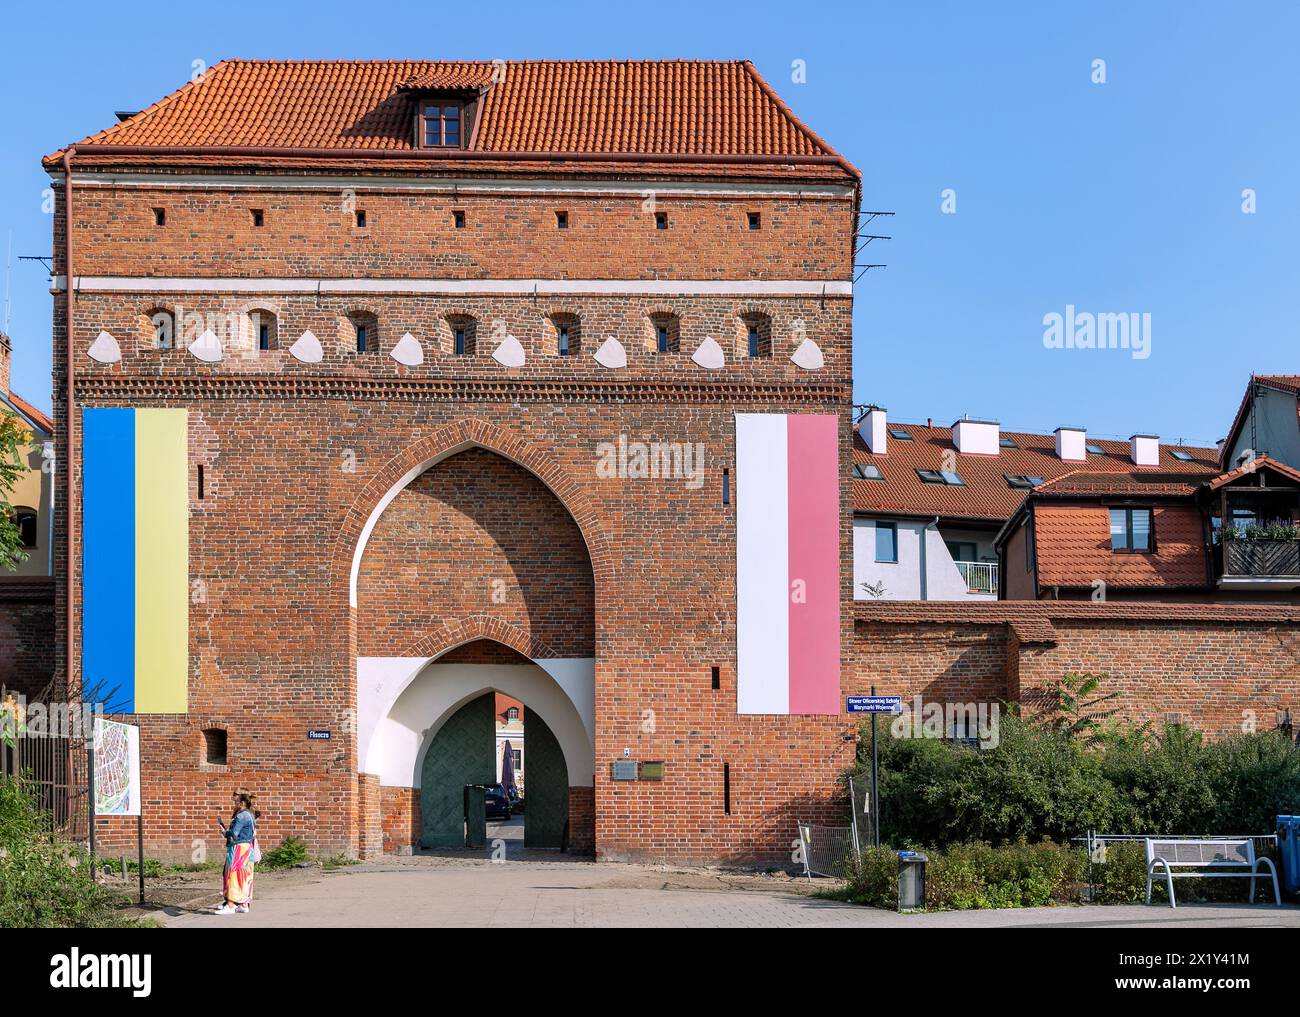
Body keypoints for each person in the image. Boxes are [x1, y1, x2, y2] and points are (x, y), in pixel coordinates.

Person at [215, 789, 260, 914]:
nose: (234, 802)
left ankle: (230, 905)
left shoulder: (241, 815)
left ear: (241, 801)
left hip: (238, 848)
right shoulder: (250, 814)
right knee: (244, 877)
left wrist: (224, 832)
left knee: (233, 876)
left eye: (235, 800)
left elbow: (234, 834)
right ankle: (244, 905)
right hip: (247, 848)